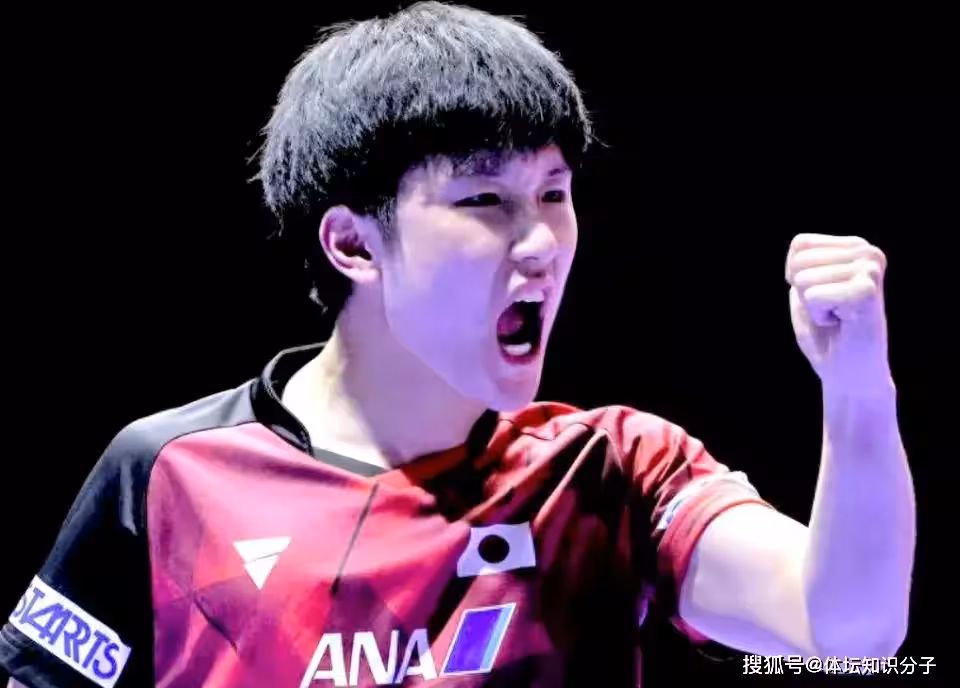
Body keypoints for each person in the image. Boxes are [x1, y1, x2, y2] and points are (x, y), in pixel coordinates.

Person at [1, 3, 915, 687]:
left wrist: (858, 391)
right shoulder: (170, 474)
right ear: (354, 244)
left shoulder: (611, 473)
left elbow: (850, 633)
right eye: (485, 200)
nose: (542, 241)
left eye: (553, 193)